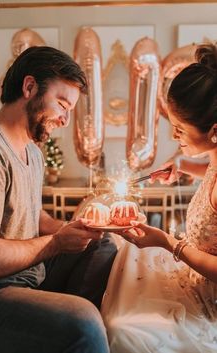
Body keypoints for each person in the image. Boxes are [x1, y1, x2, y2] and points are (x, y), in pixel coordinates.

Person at [0, 46, 117, 353]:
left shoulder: (32, 151)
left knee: (102, 243)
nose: (65, 120)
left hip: (28, 276)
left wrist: (77, 228)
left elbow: (33, 217)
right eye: (62, 104)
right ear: (29, 87)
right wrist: (57, 243)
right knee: (83, 322)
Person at [101, 43, 217, 353]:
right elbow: (210, 172)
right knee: (125, 258)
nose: (175, 138)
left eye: (179, 129)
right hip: (191, 277)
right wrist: (182, 166)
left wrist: (169, 243)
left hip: (209, 307)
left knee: (122, 327)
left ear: (214, 131)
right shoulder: (214, 157)